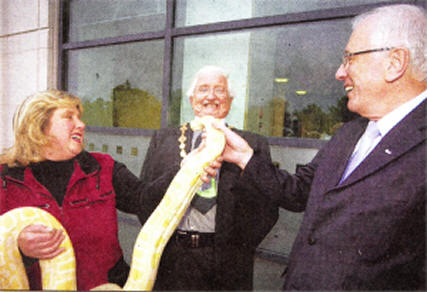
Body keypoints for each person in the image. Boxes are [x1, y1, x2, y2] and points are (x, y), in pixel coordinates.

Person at [214, 4, 426, 290]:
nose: (340, 72)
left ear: (395, 62)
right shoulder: (351, 132)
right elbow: (300, 191)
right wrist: (244, 157)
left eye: (350, 58)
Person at [0, 89, 209, 290]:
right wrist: (16, 247)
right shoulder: (4, 179)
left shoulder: (103, 168)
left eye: (79, 117)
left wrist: (184, 168)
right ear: (39, 125)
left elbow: (145, 200)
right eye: (69, 117)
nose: (81, 124)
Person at [138, 65, 279, 290]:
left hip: (228, 265)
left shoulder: (252, 145)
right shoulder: (163, 139)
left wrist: (236, 249)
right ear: (192, 99)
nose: (211, 96)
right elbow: (144, 200)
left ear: (230, 100)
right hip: (173, 261)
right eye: (203, 89)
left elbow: (267, 210)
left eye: (219, 90)